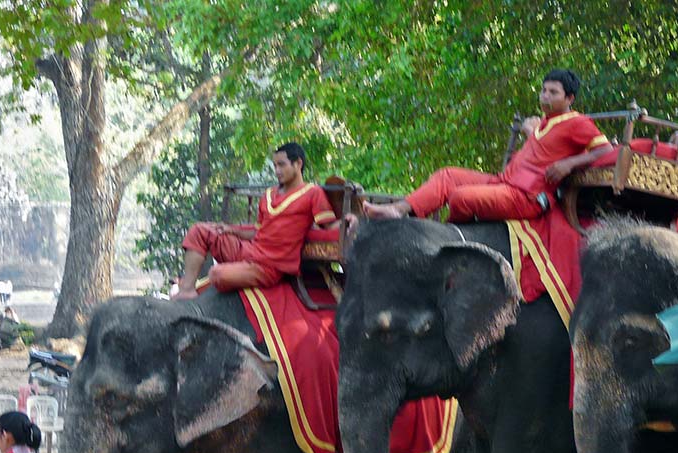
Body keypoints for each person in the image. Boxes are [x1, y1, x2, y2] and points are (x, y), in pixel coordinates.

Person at [363, 68, 615, 223]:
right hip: (502, 183)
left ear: (569, 98)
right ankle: (398, 210)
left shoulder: (578, 122)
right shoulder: (544, 123)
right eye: (543, 90)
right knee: (447, 175)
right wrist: (531, 131)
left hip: (526, 197)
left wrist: (568, 164)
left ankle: (449, 236)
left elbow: (605, 150)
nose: (544, 96)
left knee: (461, 197)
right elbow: (544, 149)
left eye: (553, 92)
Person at [173, 143, 341, 299]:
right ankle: (186, 290)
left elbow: (331, 226)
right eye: (275, 166)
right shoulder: (268, 194)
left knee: (217, 274)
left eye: (281, 165)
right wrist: (231, 230)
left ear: (298, 164)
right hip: (251, 250)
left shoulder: (313, 193)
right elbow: (258, 230)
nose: (277, 171)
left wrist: (352, 220)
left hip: (270, 267)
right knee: (199, 230)